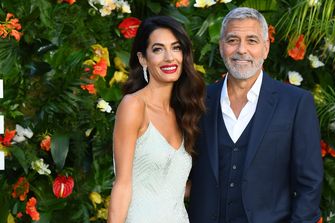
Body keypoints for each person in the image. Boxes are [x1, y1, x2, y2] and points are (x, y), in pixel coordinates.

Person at [188, 7, 323, 223]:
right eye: (233, 40)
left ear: (266, 48)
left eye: (251, 40)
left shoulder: (296, 103)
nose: (242, 49)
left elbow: (310, 185)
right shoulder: (198, 101)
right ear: (222, 46)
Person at [108, 16, 205, 223]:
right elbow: (122, 185)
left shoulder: (185, 111)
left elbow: (175, 186)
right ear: (143, 58)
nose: (169, 57)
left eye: (176, 48)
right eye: (158, 49)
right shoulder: (133, 106)